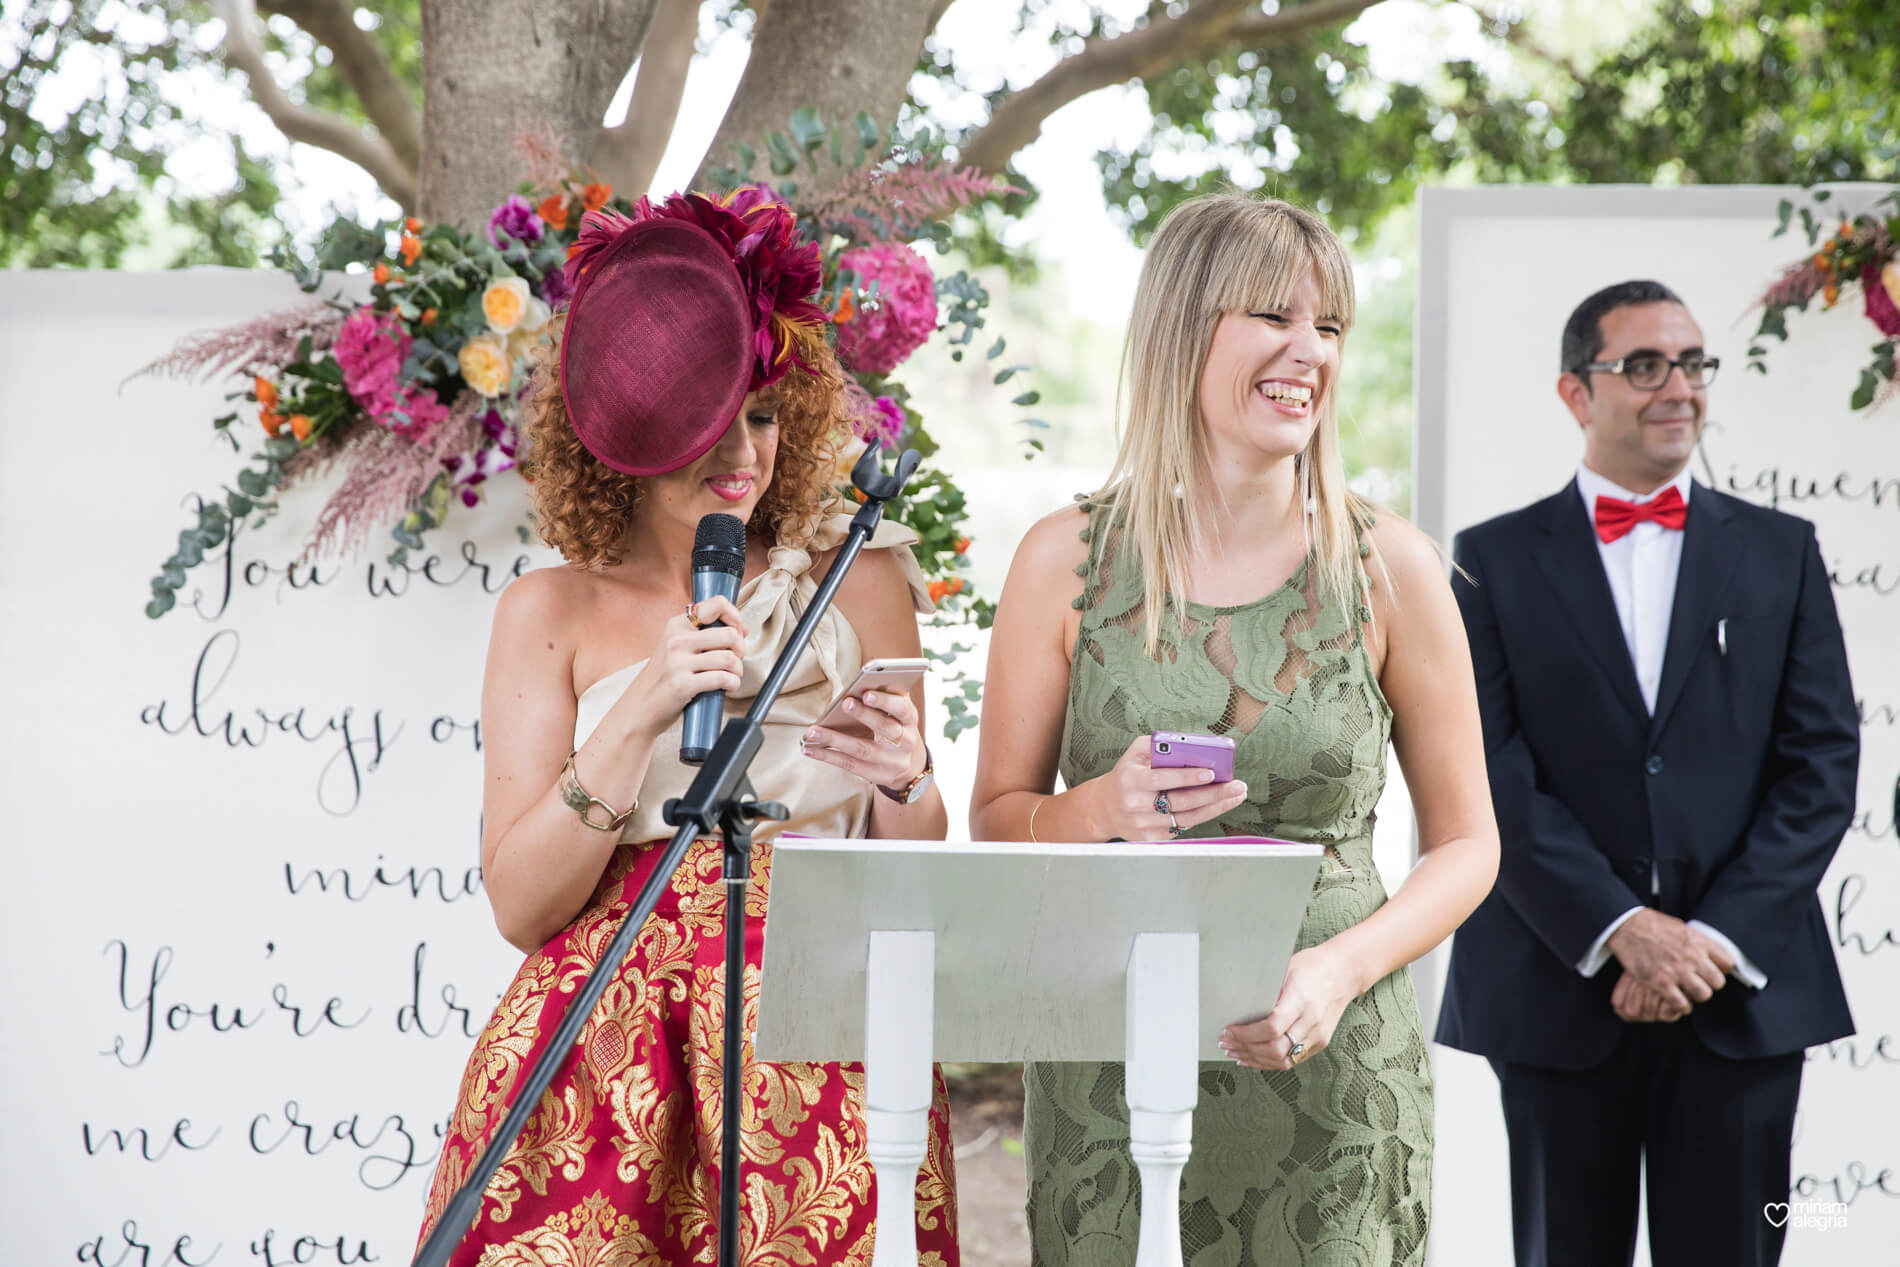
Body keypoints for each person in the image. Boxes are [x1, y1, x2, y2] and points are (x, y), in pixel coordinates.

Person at [416, 191, 959, 1265]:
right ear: (626, 421)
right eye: (711, 418)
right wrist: (636, 721)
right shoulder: (548, 612)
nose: (744, 453)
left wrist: (907, 779)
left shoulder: (862, 577)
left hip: (825, 1027)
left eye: (761, 413)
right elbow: (524, 906)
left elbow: (915, 860)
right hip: (609, 1048)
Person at [969, 193, 1500, 1266]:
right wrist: (1096, 808)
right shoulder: (1059, 560)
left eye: (1331, 326)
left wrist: (1337, 973)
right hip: (1106, 1065)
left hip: (1336, 1080)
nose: (1309, 350)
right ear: (1182, 329)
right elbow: (994, 818)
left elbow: (1468, 845)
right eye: (1272, 316)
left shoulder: (1392, 565)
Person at [1433, 280, 1859, 1267]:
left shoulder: (1780, 552)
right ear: (1575, 394)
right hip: (1553, 982)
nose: (1677, 386)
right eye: (1644, 365)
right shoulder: (1485, 562)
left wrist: (1705, 941)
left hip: (1739, 988)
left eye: (1692, 362)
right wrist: (1620, 929)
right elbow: (1485, 771)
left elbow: (1821, 763)